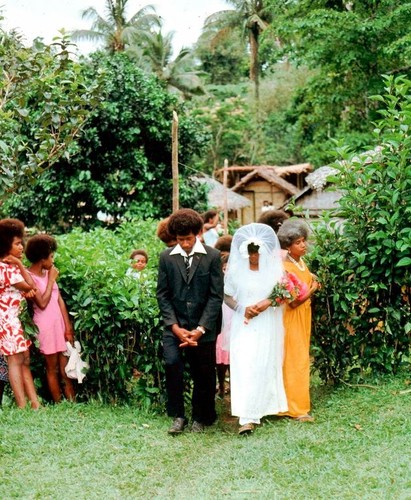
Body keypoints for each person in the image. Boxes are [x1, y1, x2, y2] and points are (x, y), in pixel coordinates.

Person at [157, 208, 224, 434]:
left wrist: (201, 328)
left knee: (203, 371)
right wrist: (175, 327)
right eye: (179, 239)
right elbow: (163, 294)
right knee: (172, 363)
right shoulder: (166, 257)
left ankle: (201, 416)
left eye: (188, 239)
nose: (184, 244)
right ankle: (178, 415)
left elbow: (216, 296)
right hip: (174, 326)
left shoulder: (212, 256)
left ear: (197, 233)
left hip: (203, 327)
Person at [224, 223, 287, 435]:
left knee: (263, 362)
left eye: (258, 253)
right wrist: (243, 308)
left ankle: (264, 406)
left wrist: (267, 303)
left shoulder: (273, 270)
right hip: (244, 323)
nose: (254, 258)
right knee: (245, 362)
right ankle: (246, 415)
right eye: (251, 254)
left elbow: (284, 292)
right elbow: (227, 295)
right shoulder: (235, 271)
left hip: (267, 321)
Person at [276, 219, 320, 422]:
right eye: (298, 242)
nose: (303, 245)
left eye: (304, 241)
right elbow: (292, 302)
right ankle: (296, 408)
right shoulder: (285, 267)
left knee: (301, 359)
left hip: (304, 316)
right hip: (292, 318)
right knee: (295, 361)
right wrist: (312, 289)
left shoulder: (301, 263)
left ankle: (293, 404)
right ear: (288, 245)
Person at [25, 234, 75, 403]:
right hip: (45, 326)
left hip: (58, 324)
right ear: (41, 258)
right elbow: (42, 302)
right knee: (52, 368)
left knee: (65, 368)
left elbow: (59, 300)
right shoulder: (29, 277)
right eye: (51, 256)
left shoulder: (48, 273)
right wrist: (51, 280)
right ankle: (59, 403)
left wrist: (68, 327)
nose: (53, 260)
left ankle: (72, 402)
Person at [0, 218, 40, 409]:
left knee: (24, 359)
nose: (21, 247)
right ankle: (23, 405)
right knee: (16, 360)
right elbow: (31, 285)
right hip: (8, 320)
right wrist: (19, 264)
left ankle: (35, 403)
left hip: (15, 319)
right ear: (6, 245)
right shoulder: (7, 269)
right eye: (17, 244)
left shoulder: (8, 268)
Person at [216, 254, 231, 399]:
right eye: (225, 268)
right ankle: (221, 385)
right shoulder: (217, 281)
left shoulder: (238, 282)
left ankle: (233, 385)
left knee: (233, 357)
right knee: (220, 358)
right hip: (222, 321)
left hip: (234, 321)